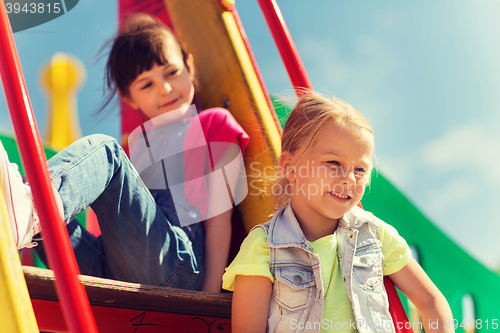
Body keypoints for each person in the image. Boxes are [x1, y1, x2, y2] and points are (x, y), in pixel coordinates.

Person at [2, 13, 249, 293]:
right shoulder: (142, 149)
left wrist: (210, 293)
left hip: (177, 265)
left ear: (188, 66)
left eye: (171, 72)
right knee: (45, 214)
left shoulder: (211, 123)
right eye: (147, 84)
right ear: (129, 97)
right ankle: (25, 210)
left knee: (107, 153)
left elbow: (219, 221)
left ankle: (28, 208)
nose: (165, 89)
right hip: (117, 269)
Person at [223, 92, 454, 332]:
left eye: (360, 169)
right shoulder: (263, 247)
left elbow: (430, 301)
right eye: (334, 163)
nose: (349, 179)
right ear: (290, 168)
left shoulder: (375, 234)